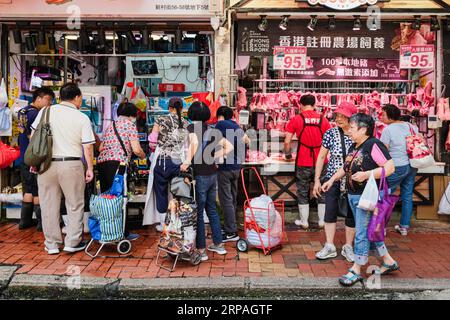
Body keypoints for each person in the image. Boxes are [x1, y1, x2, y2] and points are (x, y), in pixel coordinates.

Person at [322, 113, 399, 287]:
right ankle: (388, 261)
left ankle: (356, 269)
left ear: (363, 129)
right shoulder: (355, 146)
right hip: (354, 196)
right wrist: (331, 180)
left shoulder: (373, 145)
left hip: (367, 197)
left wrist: (366, 174)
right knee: (370, 230)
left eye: (352, 128)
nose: (348, 131)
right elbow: (345, 167)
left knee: (362, 233)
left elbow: (390, 168)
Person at [31, 83, 95, 255]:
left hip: (46, 164)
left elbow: (33, 136)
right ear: (76, 98)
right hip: (71, 164)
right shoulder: (81, 117)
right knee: (74, 204)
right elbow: (87, 147)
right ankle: (72, 242)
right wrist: (89, 168)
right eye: (80, 97)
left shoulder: (46, 111)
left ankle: (51, 244)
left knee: (48, 205)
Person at [181, 101, 233, 262]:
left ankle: (202, 250)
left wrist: (187, 162)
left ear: (192, 114)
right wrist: (214, 157)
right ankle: (218, 245)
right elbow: (229, 147)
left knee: (198, 212)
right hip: (212, 174)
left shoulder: (191, 128)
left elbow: (195, 144)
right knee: (212, 209)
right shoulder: (212, 130)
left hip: (200, 175)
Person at [313, 102, 356, 262]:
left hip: (353, 180)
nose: (338, 119)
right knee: (330, 211)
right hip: (332, 180)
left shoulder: (357, 133)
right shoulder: (330, 133)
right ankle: (329, 245)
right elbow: (322, 157)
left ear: (351, 118)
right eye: (337, 115)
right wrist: (317, 180)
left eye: (342, 116)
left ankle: (348, 246)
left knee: (351, 214)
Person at [97, 102, 146, 241]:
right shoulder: (129, 125)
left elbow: (101, 148)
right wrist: (144, 156)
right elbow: (136, 149)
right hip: (118, 165)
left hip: (102, 164)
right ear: (132, 115)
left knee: (108, 199)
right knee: (120, 199)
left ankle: (108, 232)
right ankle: (122, 233)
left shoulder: (109, 126)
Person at [283, 94, 331, 229]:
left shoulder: (296, 119)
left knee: (303, 190)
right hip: (321, 161)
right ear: (315, 105)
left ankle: (304, 221)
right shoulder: (323, 120)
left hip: (303, 161)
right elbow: (331, 142)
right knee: (322, 189)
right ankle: (322, 221)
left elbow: (287, 142)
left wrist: (287, 155)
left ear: (300, 105)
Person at [148, 97, 189, 230]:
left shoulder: (160, 119)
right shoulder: (185, 122)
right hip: (178, 162)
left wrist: (155, 148)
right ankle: (178, 222)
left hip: (162, 162)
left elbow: (153, 142)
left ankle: (163, 224)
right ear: (181, 108)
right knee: (178, 193)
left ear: (169, 108)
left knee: (161, 192)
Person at [17, 87, 55, 231]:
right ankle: (41, 223)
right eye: (48, 99)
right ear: (38, 98)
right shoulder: (36, 114)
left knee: (28, 189)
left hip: (23, 156)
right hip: (33, 156)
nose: (49, 103)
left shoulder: (23, 111)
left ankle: (24, 221)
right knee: (37, 190)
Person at [380, 104, 419, 236]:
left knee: (384, 194)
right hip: (412, 165)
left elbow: (383, 151)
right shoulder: (412, 126)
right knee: (407, 195)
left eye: (383, 114)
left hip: (396, 166)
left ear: (390, 116)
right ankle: (404, 227)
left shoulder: (388, 130)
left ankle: (382, 226)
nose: (381, 116)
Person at [215, 106, 249, 242]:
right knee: (232, 198)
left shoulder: (221, 124)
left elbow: (215, 143)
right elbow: (247, 142)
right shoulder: (237, 126)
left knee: (226, 200)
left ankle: (231, 232)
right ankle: (231, 225)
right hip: (236, 167)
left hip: (225, 167)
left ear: (221, 116)